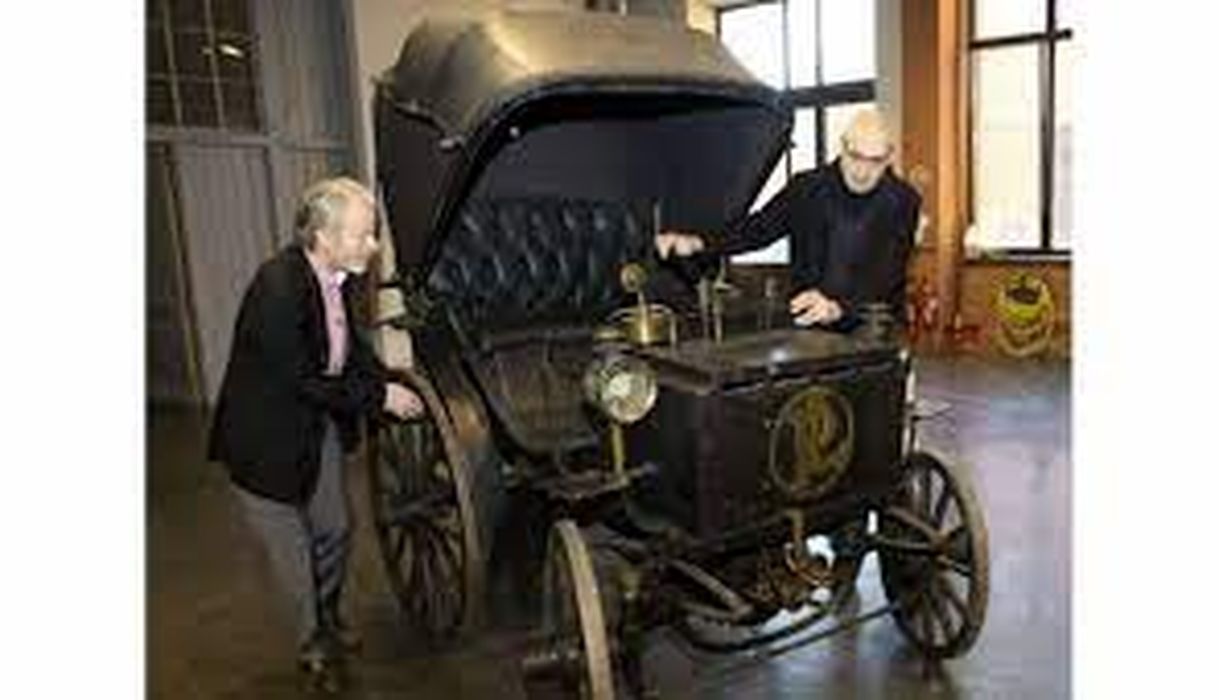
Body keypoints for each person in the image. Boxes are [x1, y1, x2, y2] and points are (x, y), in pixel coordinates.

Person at [207, 176, 423, 692]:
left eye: (373, 234)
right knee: (295, 555)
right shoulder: (278, 287)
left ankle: (326, 614)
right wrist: (378, 399)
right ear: (324, 236)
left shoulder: (337, 278)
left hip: (312, 422)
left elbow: (349, 352)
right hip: (262, 439)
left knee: (335, 529)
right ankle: (312, 643)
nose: (372, 246)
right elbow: (303, 376)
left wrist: (384, 381)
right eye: (362, 235)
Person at [655, 108, 920, 330]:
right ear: (842, 147)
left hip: (873, 326)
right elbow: (757, 229)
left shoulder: (903, 201)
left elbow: (888, 273)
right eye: (856, 157)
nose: (863, 171)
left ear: (889, 157)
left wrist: (839, 308)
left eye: (875, 161)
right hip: (810, 323)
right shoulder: (806, 188)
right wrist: (699, 242)